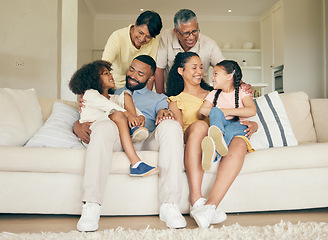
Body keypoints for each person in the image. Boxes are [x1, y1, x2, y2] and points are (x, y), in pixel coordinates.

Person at [73, 55, 186, 232]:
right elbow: (87, 112)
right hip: (118, 139)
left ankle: (170, 205)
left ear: (150, 78)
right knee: (102, 127)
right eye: (131, 69)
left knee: (171, 127)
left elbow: (167, 111)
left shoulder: (158, 98)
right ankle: (91, 205)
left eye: (140, 74)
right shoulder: (111, 93)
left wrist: (165, 112)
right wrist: (77, 125)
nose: (133, 75)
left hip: (146, 139)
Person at [166, 52, 258, 228]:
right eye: (194, 67)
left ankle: (209, 206)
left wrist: (254, 125)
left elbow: (241, 109)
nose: (200, 71)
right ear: (180, 71)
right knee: (201, 126)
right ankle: (196, 198)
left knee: (239, 141)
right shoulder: (175, 100)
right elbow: (176, 133)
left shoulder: (217, 92)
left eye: (201, 67)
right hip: (196, 136)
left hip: (221, 134)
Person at [69, 60, 157, 178]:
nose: (110, 76)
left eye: (109, 73)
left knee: (126, 95)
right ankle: (135, 163)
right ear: (95, 79)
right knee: (118, 114)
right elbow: (109, 106)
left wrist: (140, 117)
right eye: (105, 73)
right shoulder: (89, 94)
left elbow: (132, 110)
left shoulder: (115, 97)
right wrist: (128, 115)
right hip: (95, 136)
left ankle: (133, 128)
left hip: (116, 138)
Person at [197, 60, 256, 171]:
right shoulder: (214, 94)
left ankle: (214, 153)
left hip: (239, 125)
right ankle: (218, 138)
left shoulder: (242, 91)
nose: (212, 77)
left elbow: (252, 110)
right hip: (221, 126)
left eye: (216, 74)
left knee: (228, 129)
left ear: (229, 76)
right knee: (214, 111)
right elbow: (202, 110)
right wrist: (218, 111)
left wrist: (227, 111)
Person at [155, 9, 224, 94]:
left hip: (200, 91)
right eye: (186, 33)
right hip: (173, 90)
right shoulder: (167, 37)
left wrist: (240, 83)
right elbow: (159, 69)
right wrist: (161, 97)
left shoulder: (209, 44)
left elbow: (225, 68)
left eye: (194, 31)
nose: (191, 37)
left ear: (197, 26)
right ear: (176, 32)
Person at [102, 10, 162, 90]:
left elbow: (150, 72)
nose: (142, 39)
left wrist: (148, 94)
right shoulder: (118, 37)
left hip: (139, 87)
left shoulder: (154, 42)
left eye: (148, 37)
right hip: (115, 86)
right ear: (135, 24)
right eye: (140, 33)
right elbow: (103, 66)